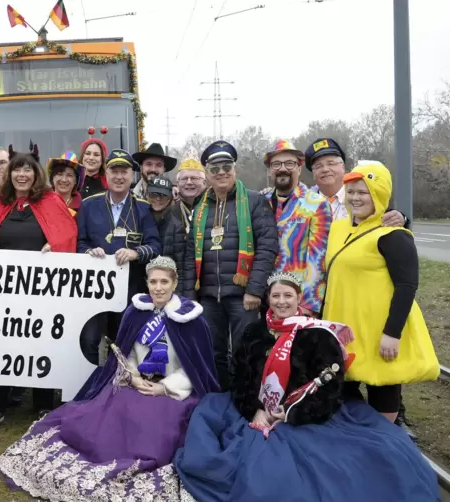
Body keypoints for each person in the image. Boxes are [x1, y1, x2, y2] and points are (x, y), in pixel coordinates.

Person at [174, 273, 440, 502]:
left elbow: (331, 388)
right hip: (259, 410)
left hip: (305, 414)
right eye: (276, 296)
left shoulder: (319, 334)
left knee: (360, 461)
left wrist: (291, 414)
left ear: (299, 298)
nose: (281, 302)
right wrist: (253, 410)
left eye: (287, 295)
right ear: (268, 298)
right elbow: (239, 376)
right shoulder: (254, 332)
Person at [0, 256, 219, 500]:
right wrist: (132, 377)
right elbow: (127, 353)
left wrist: (164, 388)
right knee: (114, 410)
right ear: (146, 283)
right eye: (153, 281)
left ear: (174, 283)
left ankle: (142, 457)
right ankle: (107, 455)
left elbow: (195, 368)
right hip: (136, 382)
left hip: (173, 393)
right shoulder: (136, 313)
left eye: (164, 281)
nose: (158, 287)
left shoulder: (190, 320)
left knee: (155, 421)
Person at [322, 161, 439, 423]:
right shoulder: (339, 227)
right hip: (345, 331)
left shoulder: (393, 235)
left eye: (363, 192)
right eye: (351, 192)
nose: (355, 198)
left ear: (380, 193)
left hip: (379, 332)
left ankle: (388, 445)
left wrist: (392, 334)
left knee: (383, 394)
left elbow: (407, 286)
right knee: (346, 395)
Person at [0, 153, 78, 430]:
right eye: (16, 170)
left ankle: (43, 404)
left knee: (41, 342)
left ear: (36, 174)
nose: (21, 174)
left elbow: (66, 234)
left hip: (41, 290)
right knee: (0, 342)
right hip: (3, 289)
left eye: (27, 170)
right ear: (9, 174)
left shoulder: (50, 201)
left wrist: (54, 246)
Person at [192, 140, 278, 390]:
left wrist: (254, 290)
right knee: (214, 354)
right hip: (208, 296)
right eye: (215, 168)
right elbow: (191, 252)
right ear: (207, 174)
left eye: (226, 166)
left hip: (243, 296)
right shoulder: (200, 207)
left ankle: (247, 400)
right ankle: (220, 401)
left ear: (235, 170)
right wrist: (193, 294)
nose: (221, 172)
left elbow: (267, 247)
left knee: (246, 352)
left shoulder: (254, 201)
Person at [77, 149, 162, 366]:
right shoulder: (88, 205)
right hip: (94, 292)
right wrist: (88, 253)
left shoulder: (143, 208)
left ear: (132, 175)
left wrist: (135, 253)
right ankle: (89, 392)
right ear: (106, 174)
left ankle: (118, 391)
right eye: (114, 171)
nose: (119, 176)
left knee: (124, 344)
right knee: (88, 341)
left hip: (129, 291)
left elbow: (155, 245)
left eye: (124, 171)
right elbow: (79, 243)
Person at [263, 139, 331, 316]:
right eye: (276, 164)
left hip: (297, 300)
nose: (282, 168)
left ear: (299, 168)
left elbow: (318, 258)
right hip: (265, 297)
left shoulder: (316, 204)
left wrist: (309, 304)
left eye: (290, 163)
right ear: (270, 170)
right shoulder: (261, 202)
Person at [148, 176, 195, 299]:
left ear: (170, 197)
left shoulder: (177, 224)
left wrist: (179, 297)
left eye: (163, 195)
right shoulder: (142, 217)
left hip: (169, 290)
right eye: (154, 194)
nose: (158, 199)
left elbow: (181, 267)